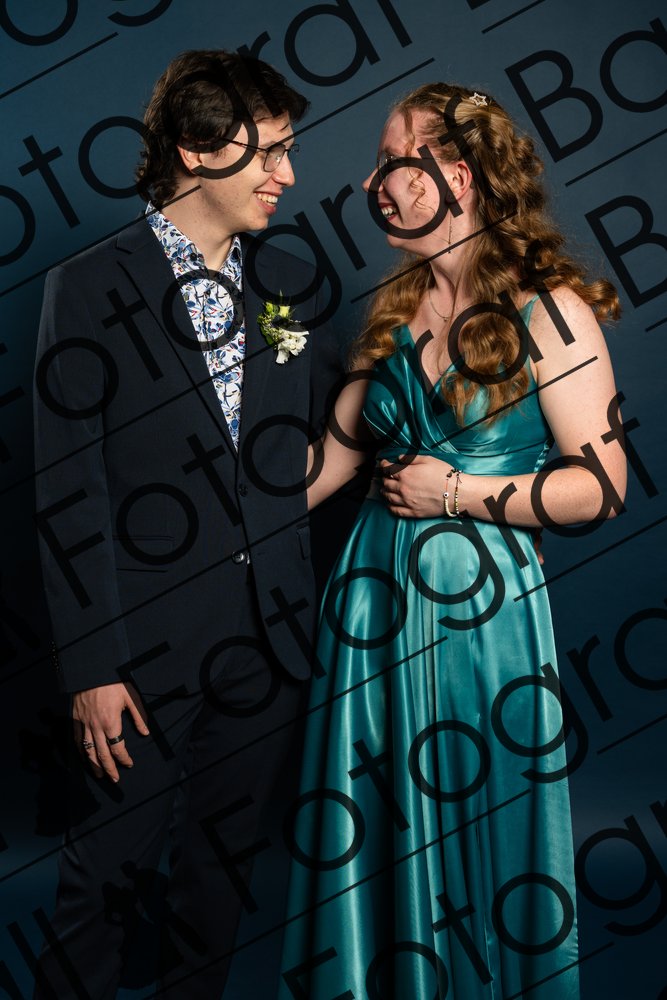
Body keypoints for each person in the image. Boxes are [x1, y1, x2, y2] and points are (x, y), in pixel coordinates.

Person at [279, 83, 626, 1000]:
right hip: (367, 624)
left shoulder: (550, 313)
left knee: (473, 820)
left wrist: (457, 491)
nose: (372, 185)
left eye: (391, 163)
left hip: (482, 626)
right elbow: (321, 470)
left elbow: (601, 487)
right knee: (374, 832)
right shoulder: (391, 315)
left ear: (458, 178)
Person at [33, 50, 343, 998]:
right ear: (198, 150)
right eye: (270, 152)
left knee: (220, 881)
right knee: (105, 880)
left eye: (288, 151)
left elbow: (302, 453)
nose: (287, 176)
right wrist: (92, 669)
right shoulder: (86, 287)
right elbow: (69, 492)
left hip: (271, 640)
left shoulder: (290, 282)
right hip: (140, 653)